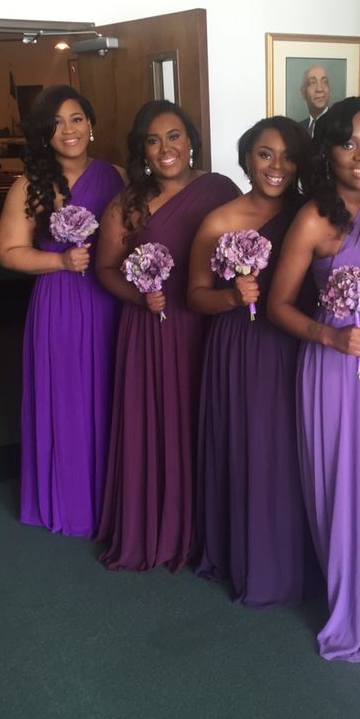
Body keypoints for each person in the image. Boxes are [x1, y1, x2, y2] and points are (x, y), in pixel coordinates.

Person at [268, 97, 360, 660]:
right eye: (349, 143)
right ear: (327, 151)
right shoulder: (313, 218)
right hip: (332, 363)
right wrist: (330, 337)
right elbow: (277, 304)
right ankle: (352, 605)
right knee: (341, 483)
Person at [95, 100, 239, 572]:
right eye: (153, 141)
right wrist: (138, 298)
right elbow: (106, 269)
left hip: (205, 324)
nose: (166, 148)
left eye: (174, 136)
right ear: (142, 150)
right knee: (155, 422)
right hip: (151, 328)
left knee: (202, 420)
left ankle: (204, 531)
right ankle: (156, 527)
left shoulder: (220, 189)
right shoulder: (126, 203)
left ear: (191, 139)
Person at [188, 116, 319, 606]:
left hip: (296, 343)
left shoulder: (312, 213)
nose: (276, 166)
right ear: (246, 159)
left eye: (287, 155)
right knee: (251, 450)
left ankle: (300, 559)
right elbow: (195, 295)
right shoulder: (219, 220)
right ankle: (251, 557)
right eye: (265, 154)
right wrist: (230, 298)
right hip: (240, 348)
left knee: (294, 452)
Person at [0, 84, 125, 536]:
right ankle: (71, 500)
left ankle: (114, 500)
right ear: (43, 133)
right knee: (68, 399)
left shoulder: (118, 176)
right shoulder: (30, 185)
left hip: (111, 300)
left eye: (76, 118)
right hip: (61, 304)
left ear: (92, 124)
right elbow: (8, 252)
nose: (67, 130)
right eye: (56, 122)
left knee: (112, 395)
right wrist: (59, 260)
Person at [299, 65, 331, 137]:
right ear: (303, 93)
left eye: (325, 82)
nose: (320, 89)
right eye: (312, 83)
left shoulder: (339, 125)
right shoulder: (298, 129)